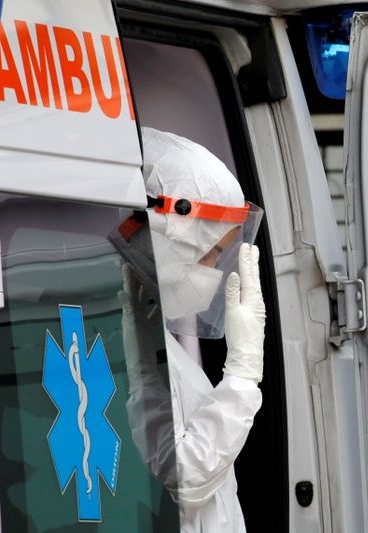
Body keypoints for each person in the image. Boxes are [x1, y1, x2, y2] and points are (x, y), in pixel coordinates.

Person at [116, 127, 266, 533]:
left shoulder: (153, 338)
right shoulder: (122, 337)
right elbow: (185, 477)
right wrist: (243, 373)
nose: (217, 272)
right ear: (173, 237)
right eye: (213, 254)